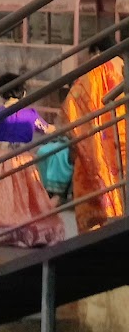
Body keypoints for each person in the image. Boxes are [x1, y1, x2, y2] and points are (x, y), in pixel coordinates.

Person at [0, 74, 65, 248]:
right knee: (26, 194)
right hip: (23, 158)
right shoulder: (30, 114)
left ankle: (5, 230)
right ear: (23, 92)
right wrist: (66, 125)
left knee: (4, 196)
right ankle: (28, 229)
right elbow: (47, 130)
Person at [63, 43, 127, 232]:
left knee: (97, 183)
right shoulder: (123, 67)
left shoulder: (92, 72)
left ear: (96, 51)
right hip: (123, 138)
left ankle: (99, 228)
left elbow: (73, 103)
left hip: (98, 143)